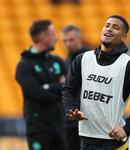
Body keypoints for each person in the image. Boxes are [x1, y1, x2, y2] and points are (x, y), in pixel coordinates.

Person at [62, 15, 130, 150]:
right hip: (86, 140)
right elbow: (68, 89)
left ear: (124, 37)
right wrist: (71, 109)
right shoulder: (82, 59)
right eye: (107, 25)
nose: (109, 29)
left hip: (112, 142)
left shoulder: (129, 65)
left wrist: (128, 128)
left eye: (115, 27)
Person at [15, 20, 68, 150]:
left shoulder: (57, 61)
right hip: (38, 129)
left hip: (60, 126)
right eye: (53, 34)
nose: (56, 38)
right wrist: (59, 87)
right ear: (43, 38)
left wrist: (48, 86)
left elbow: (71, 87)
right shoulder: (24, 66)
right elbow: (37, 94)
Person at [60, 25, 90, 150]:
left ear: (80, 39)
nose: (68, 43)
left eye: (71, 40)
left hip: (88, 119)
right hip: (71, 119)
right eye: (65, 41)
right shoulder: (66, 62)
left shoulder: (90, 58)